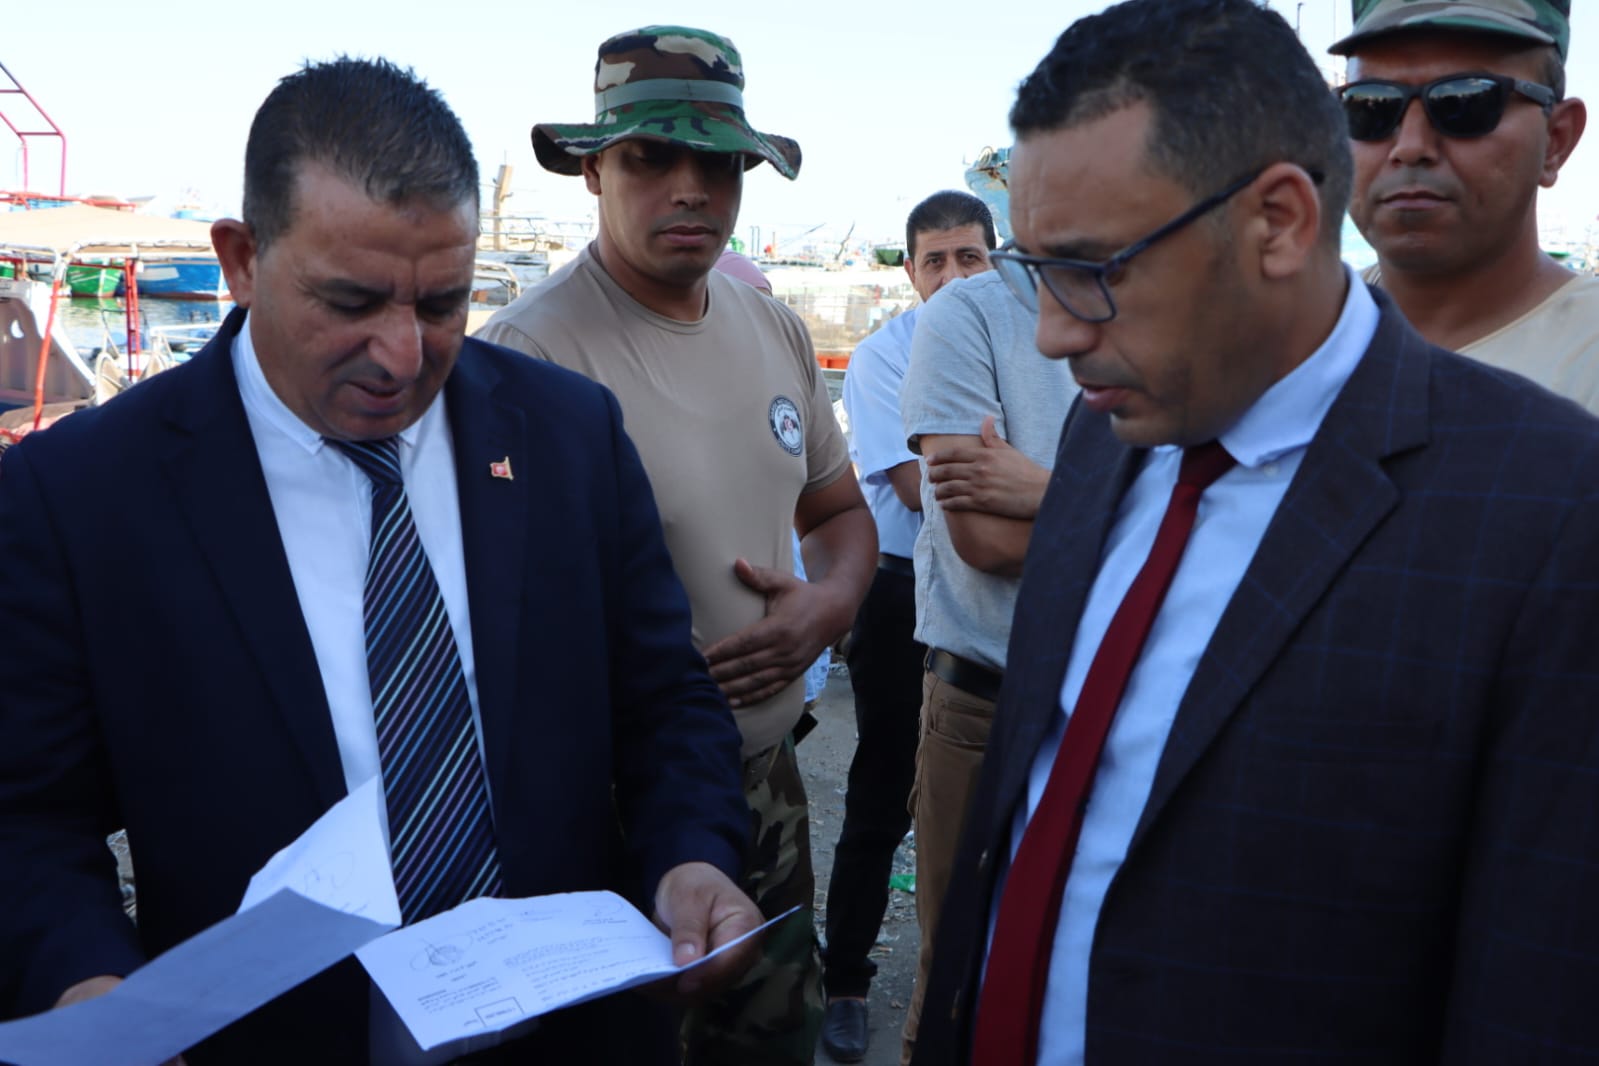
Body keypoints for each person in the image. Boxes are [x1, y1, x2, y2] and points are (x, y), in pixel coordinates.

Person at [0, 57, 760, 1065]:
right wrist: (88, 982)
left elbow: (665, 699)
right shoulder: (79, 493)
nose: (402, 355)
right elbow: (28, 816)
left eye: (443, 303)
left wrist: (691, 855)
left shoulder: (567, 434)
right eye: (351, 302)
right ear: (241, 259)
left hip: (572, 1032)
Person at [913, 0, 1599, 1063]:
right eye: (1036, 272)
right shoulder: (1107, 434)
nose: (1053, 334)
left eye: (1096, 270)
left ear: (1277, 222)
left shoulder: (1554, 506)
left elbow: (1533, 988)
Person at [476, 27, 876, 1066]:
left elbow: (840, 512)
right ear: (593, 171)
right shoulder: (530, 356)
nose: (690, 188)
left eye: (719, 162)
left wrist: (829, 606)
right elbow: (499, 630)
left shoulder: (771, 326)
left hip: (769, 780)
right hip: (620, 809)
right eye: (652, 158)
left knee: (770, 1040)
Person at [897, 196, 1075, 1064]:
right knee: (960, 985)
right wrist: (1151, 511)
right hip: (989, 700)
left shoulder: (1183, 300)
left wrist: (1049, 491)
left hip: (1138, 704)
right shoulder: (967, 316)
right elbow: (987, 542)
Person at [820, 189, 995, 1064]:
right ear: (912, 271)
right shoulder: (887, 355)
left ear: (995, 259)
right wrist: (1028, 482)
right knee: (883, 785)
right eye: (936, 260)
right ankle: (845, 978)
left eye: (970, 257)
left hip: (995, 593)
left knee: (988, 801)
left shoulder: (1027, 341)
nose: (954, 276)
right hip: (901, 592)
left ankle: (971, 978)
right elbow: (920, 488)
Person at [1334, 0, 1599, 412]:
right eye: (1370, 106)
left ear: (1555, 141)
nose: (1411, 146)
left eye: (1465, 102)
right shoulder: (1294, 341)